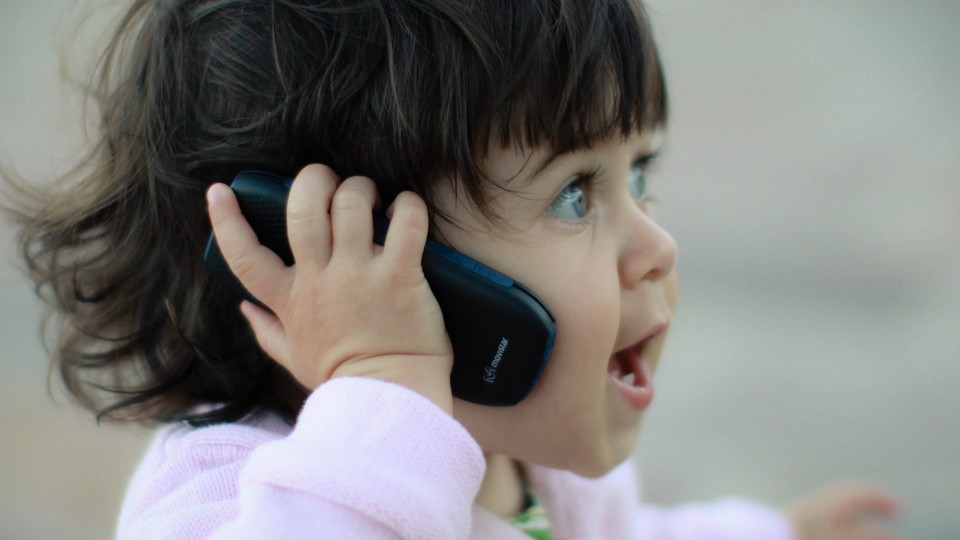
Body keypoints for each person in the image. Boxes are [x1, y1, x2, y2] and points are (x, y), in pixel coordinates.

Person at [5, 0, 902, 538]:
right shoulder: (229, 493)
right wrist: (385, 391)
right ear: (334, 250)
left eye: (639, 175)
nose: (656, 248)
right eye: (577, 197)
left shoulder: (528, 465)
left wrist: (770, 530)